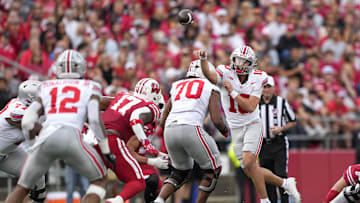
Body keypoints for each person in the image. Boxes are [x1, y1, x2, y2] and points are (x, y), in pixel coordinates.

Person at [6, 49, 115, 203]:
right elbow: (95, 120)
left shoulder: (46, 87)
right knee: (99, 180)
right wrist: (106, 150)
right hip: (72, 136)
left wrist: (32, 146)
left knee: (22, 187)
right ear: (82, 68)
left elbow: (28, 121)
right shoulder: (91, 86)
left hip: (46, 137)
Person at [196, 46, 301, 203]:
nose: (240, 64)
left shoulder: (258, 77)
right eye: (238, 60)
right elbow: (211, 76)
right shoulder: (225, 72)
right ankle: (285, 183)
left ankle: (265, 200)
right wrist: (203, 60)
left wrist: (232, 92)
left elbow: (251, 106)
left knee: (249, 162)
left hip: (252, 124)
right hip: (235, 128)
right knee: (249, 169)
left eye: (245, 61)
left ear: (251, 64)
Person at [154, 59, 230, 203]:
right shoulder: (210, 86)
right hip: (191, 127)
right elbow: (217, 119)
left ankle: (160, 199)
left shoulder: (177, 85)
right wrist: (225, 131)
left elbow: (164, 119)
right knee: (214, 169)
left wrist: (169, 127)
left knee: (179, 173)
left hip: (170, 129)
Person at [99, 78, 167, 203]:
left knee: (157, 184)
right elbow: (130, 149)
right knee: (142, 181)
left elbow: (98, 101)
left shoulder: (123, 96)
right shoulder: (148, 113)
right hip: (115, 145)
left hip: (97, 137)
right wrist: (151, 159)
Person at [0, 80, 46, 203]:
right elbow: (19, 119)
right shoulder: (17, 108)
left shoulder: (35, 109)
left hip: (8, 153)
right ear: (31, 98)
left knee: (36, 175)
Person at [258, 75, 297, 203]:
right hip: (263, 145)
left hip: (278, 143)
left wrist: (281, 129)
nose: (266, 90)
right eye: (264, 87)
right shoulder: (256, 104)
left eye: (269, 87)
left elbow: (292, 121)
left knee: (281, 176)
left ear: (273, 88)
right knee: (266, 179)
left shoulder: (281, 102)